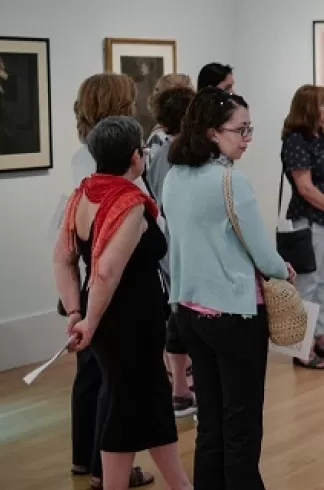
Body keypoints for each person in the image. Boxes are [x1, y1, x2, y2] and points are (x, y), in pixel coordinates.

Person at [163, 88, 293, 490]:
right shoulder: (231, 181)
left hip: (188, 310)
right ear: (212, 132)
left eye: (250, 129)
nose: (247, 138)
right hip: (235, 315)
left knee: (211, 420)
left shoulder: (173, 177)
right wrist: (283, 270)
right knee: (241, 423)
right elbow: (263, 253)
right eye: (241, 129)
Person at [54, 116, 191, 490]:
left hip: (111, 318)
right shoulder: (129, 202)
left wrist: (77, 312)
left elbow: (63, 259)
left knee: (141, 400)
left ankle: (179, 484)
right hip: (129, 322)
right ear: (135, 156)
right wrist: (88, 319)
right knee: (128, 403)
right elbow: (107, 271)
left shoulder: (83, 194)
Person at [65, 72, 155, 489]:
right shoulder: (114, 166)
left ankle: (86, 457)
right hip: (114, 289)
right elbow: (108, 261)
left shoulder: (83, 157)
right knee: (113, 384)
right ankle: (107, 468)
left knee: (93, 375)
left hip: (91, 280)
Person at [281, 84, 324, 369]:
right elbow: (306, 187)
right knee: (307, 284)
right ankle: (302, 346)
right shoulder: (296, 141)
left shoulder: (321, 138)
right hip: (310, 219)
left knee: (321, 281)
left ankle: (321, 337)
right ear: (309, 108)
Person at [141, 85, 199, 419]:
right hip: (177, 243)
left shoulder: (162, 152)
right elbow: (167, 204)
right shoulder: (174, 153)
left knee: (179, 311)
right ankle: (181, 388)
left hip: (172, 242)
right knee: (182, 314)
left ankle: (182, 387)